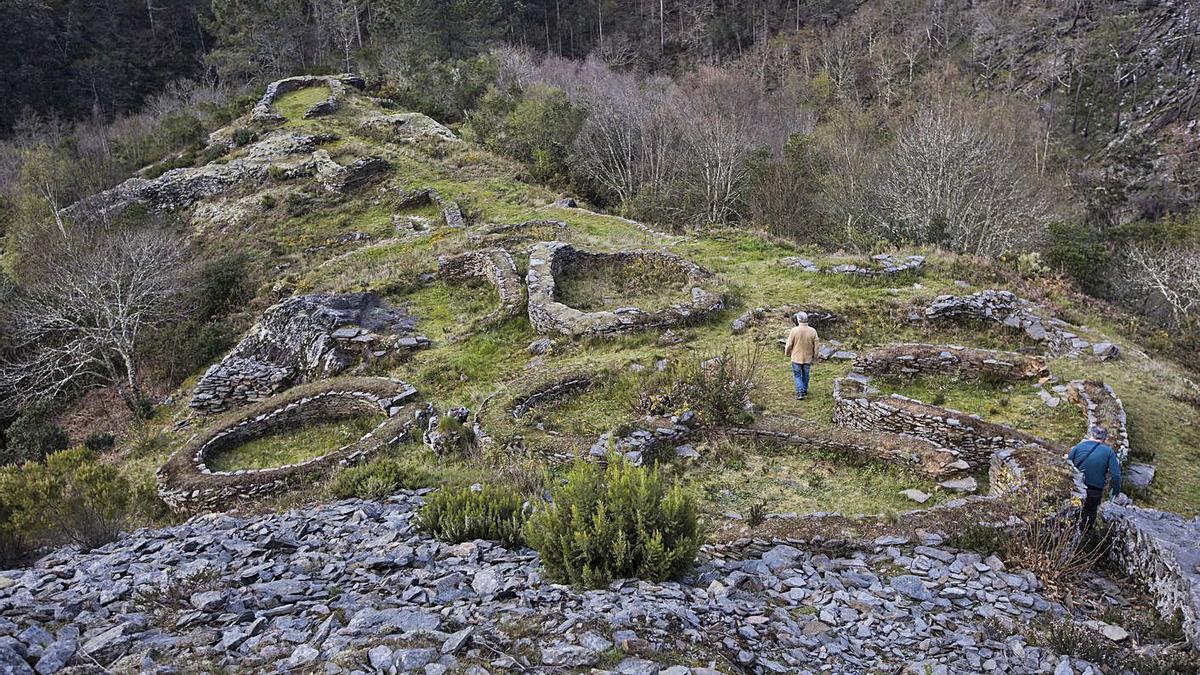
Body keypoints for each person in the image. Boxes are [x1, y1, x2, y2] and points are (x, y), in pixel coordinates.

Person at [1067, 425, 1122, 531]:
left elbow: (1067, 465)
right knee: (1088, 517)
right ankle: (1085, 539)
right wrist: (1115, 491)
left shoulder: (1079, 446)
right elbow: (1116, 475)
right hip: (1094, 490)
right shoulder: (1109, 452)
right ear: (1105, 438)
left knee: (1072, 515)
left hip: (1076, 487)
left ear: (1091, 434)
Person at [784, 312, 819, 400]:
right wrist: (815, 356)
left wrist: (787, 353)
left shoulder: (794, 330)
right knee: (806, 374)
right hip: (807, 357)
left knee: (797, 375)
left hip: (796, 357)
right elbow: (817, 346)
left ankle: (800, 392)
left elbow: (789, 344)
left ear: (798, 320)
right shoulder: (813, 331)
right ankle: (804, 389)